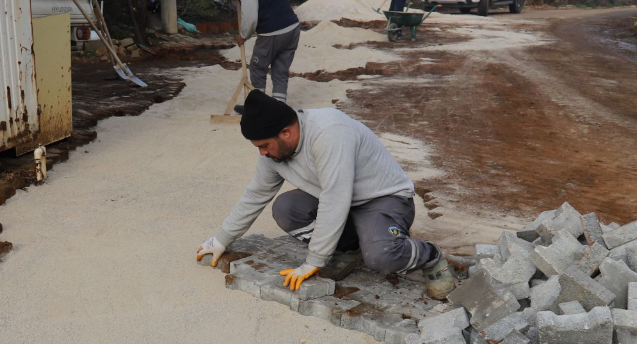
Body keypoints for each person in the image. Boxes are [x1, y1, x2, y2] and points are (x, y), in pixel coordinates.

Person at [195, 90, 455, 300]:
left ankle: (430, 256)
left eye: (264, 146)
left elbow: (335, 197)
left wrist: (314, 261)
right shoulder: (274, 151)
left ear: (286, 132)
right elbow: (256, 194)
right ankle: (350, 250)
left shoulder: (329, 133)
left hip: (384, 199)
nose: (262, 153)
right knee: (286, 208)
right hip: (341, 201)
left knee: (381, 256)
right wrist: (221, 239)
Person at [221, 0, 300, 105]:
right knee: (280, 71)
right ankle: (278, 109)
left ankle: (259, 109)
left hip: (273, 33)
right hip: (293, 29)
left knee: (258, 69)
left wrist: (243, 35)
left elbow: (250, 19)